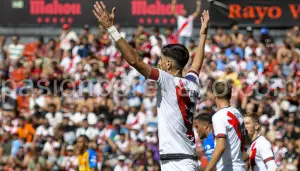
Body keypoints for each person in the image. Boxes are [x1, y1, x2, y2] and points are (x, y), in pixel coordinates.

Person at [93, 2, 209, 170]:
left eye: (161, 60)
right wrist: (203, 35)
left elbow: (135, 61)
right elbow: (196, 65)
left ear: (169, 65)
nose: (158, 63)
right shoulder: (192, 83)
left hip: (177, 162)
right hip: (184, 160)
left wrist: (111, 29)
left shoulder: (168, 81)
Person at [205, 81, 246, 171]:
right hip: (240, 167)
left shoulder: (219, 116)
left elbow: (221, 146)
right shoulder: (237, 113)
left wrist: (207, 169)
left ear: (215, 95)